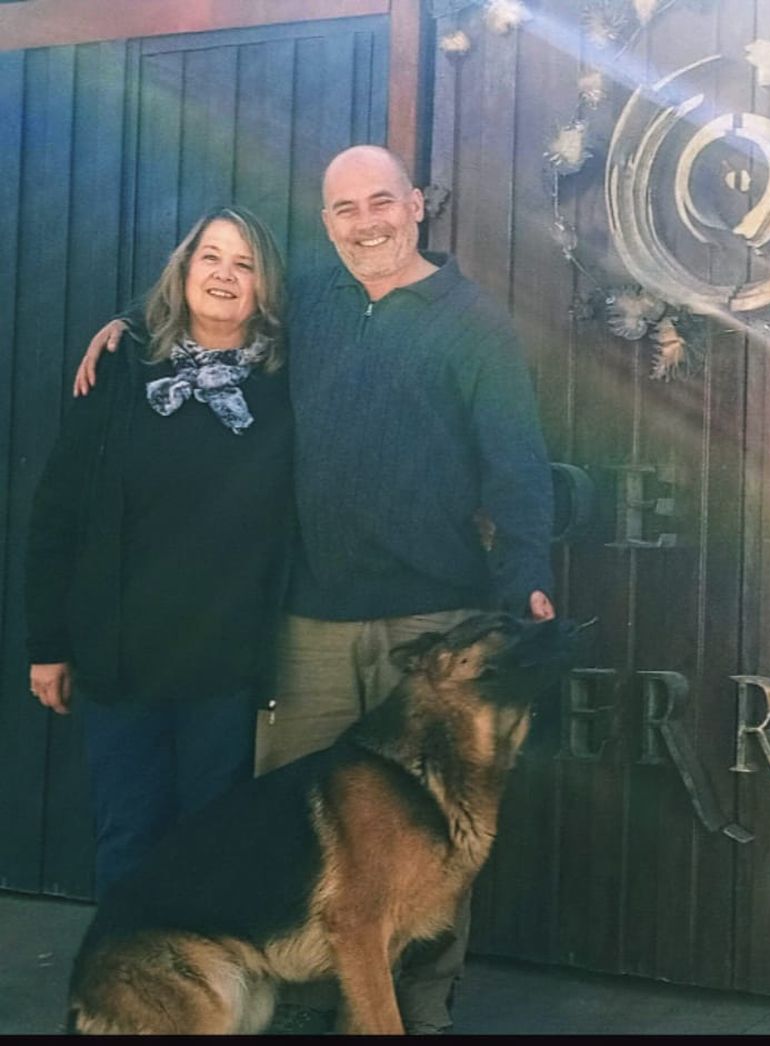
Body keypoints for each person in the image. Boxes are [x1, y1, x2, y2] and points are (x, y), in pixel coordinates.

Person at [75, 145, 556, 1035]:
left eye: (382, 202)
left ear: (417, 205)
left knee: (441, 837)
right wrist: (128, 327)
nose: (367, 222)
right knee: (305, 842)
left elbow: (518, 461)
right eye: (345, 209)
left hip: (435, 611)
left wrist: (528, 575)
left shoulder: (473, 321)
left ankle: (421, 1006)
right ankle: (301, 1010)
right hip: (312, 618)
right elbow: (217, 301)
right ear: (326, 220)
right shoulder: (311, 303)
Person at [28, 205, 292, 900]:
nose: (226, 275)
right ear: (183, 270)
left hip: (227, 667)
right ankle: (125, 999)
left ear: (265, 287)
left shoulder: (286, 388)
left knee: (212, 844)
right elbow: (57, 514)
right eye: (211, 257)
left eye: (245, 263)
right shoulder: (120, 372)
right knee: (129, 841)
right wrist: (47, 644)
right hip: (122, 662)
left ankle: (201, 1003)